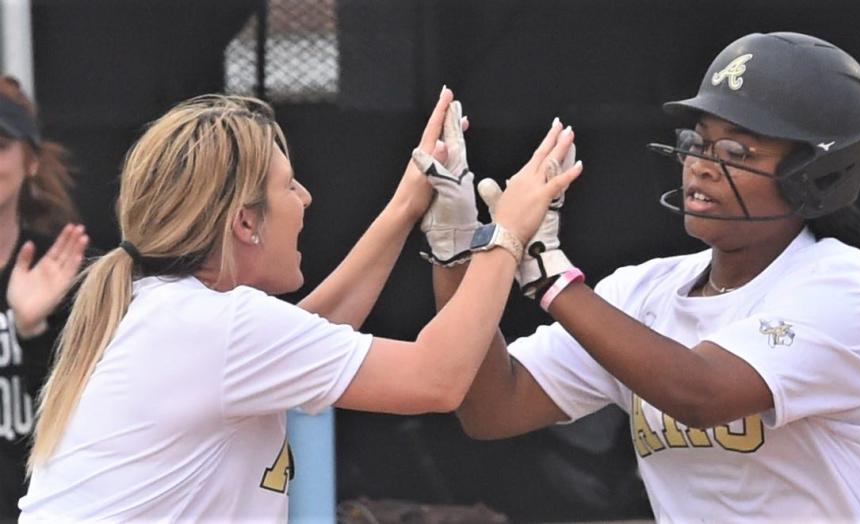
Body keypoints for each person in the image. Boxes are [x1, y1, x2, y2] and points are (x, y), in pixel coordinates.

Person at [18, 88, 582, 520]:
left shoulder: (172, 307)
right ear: (244, 222)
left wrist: (408, 204)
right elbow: (437, 380)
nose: (307, 199)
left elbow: (310, 332)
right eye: (290, 186)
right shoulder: (219, 324)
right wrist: (505, 234)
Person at [440, 33, 860, 521]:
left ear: (818, 173)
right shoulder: (642, 291)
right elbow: (492, 407)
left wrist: (548, 274)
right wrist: (454, 252)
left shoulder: (836, 284)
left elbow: (701, 394)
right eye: (697, 142)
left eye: (737, 150)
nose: (700, 166)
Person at [0, 75, 89, 519]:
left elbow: (80, 420)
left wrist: (33, 328)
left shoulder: (59, 271)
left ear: (31, 161)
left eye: (0, 145)